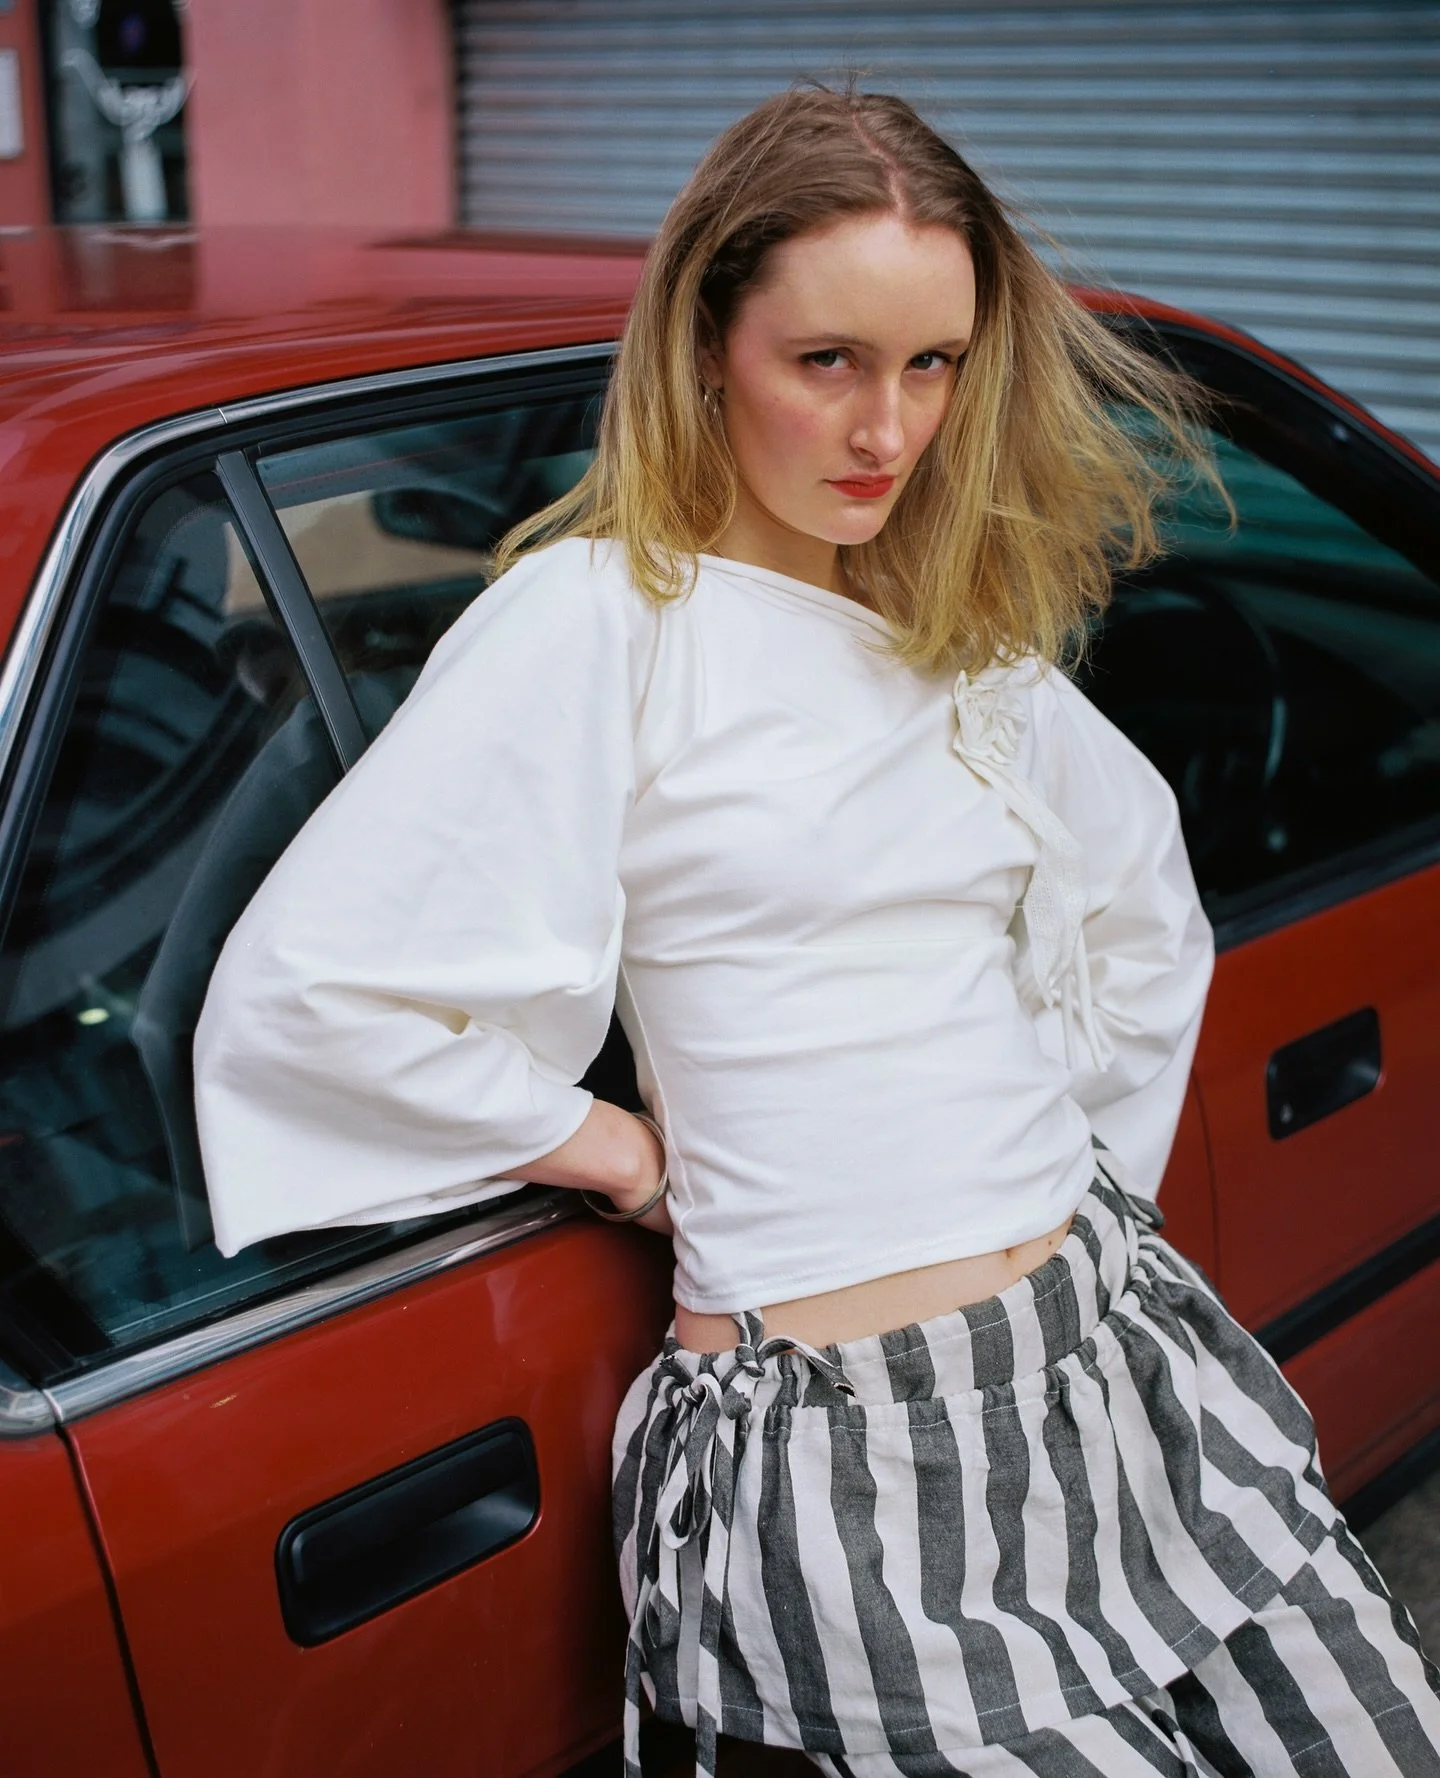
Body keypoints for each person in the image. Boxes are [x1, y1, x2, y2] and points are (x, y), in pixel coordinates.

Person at [193, 85, 1440, 1778]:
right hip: (844, 1455)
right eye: (830, 362)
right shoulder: (599, 624)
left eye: (934, 365)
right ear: (710, 343)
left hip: (1109, 1353)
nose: (888, 429)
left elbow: (1142, 906)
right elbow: (310, 999)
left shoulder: (958, 638)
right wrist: (619, 1150)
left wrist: (1037, 1160)